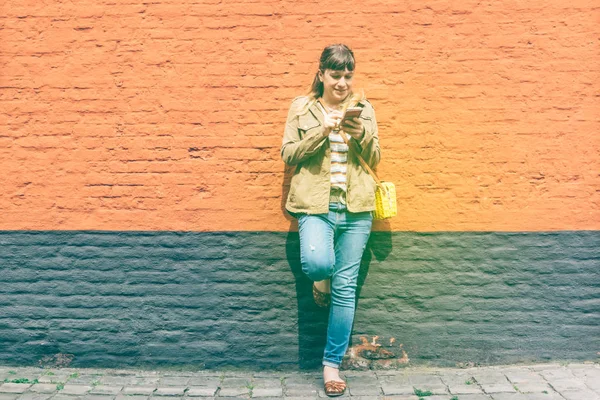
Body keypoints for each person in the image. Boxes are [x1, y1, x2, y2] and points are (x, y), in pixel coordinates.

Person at [281, 44, 380, 397]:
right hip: (315, 206)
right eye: (335, 75)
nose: (342, 83)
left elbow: (376, 156)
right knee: (319, 263)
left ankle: (331, 365)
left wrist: (358, 132)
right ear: (321, 73)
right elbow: (288, 153)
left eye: (348, 76)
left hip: (356, 208)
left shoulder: (363, 108)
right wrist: (322, 131)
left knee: (346, 288)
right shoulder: (303, 107)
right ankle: (320, 282)